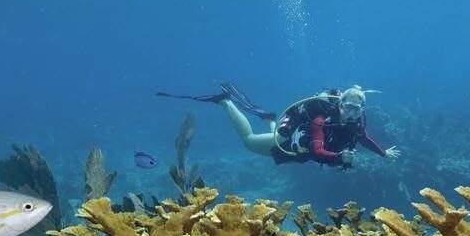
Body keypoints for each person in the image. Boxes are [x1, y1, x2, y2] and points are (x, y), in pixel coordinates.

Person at [157, 83, 401, 168]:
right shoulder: (320, 119)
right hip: (288, 142)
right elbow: (316, 151)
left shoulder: (356, 121)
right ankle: (226, 103)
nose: (351, 113)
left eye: (356, 109)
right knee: (249, 142)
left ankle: (272, 119)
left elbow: (363, 137)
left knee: (271, 132)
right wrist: (339, 158)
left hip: (297, 143)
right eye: (347, 107)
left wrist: (383, 153)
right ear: (340, 104)